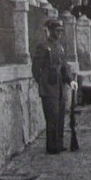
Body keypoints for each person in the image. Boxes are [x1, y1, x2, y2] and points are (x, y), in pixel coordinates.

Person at [31, 19, 77, 154]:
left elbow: (64, 66)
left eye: (61, 31)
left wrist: (70, 80)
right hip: (49, 87)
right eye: (57, 31)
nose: (60, 33)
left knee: (61, 115)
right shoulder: (44, 46)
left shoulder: (60, 47)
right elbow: (36, 68)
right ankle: (52, 146)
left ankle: (59, 143)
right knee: (52, 116)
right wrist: (42, 81)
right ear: (50, 31)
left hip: (60, 86)